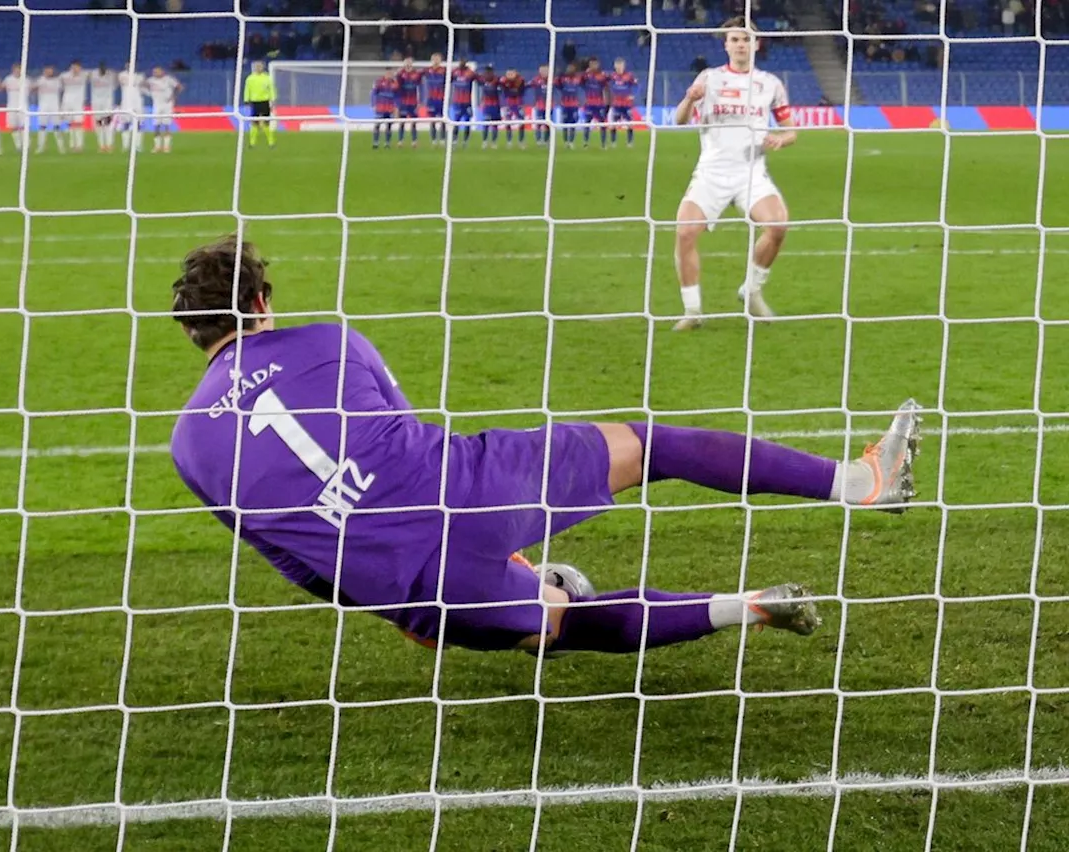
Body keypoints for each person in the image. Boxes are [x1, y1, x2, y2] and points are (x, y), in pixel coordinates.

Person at [169, 235, 924, 656]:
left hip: (399, 578)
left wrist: (402, 611)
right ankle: (857, 482)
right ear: (262, 302)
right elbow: (408, 430)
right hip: (463, 485)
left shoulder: (189, 449)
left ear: (192, 331)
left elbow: (297, 563)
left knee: (552, 624)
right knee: (648, 446)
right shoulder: (329, 339)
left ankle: (746, 607)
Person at [672, 16, 795, 331]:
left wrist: (780, 139)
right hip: (712, 172)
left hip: (751, 171)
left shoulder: (770, 83)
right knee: (685, 232)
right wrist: (689, 99)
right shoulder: (710, 78)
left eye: (746, 39)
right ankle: (692, 311)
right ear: (726, 44)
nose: (741, 44)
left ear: (757, 44)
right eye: (735, 39)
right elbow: (679, 120)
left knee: (778, 225)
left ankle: (751, 291)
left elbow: (790, 129)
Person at [146, 65, 183, 153]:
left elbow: (180, 87)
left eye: (157, 71)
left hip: (167, 105)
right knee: (156, 125)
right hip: (157, 105)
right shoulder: (150, 81)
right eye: (154, 72)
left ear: (162, 72)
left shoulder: (169, 79)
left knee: (167, 125)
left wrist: (173, 96)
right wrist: (149, 93)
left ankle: (166, 147)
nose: (155, 73)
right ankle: (157, 146)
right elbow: (143, 85)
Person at [243, 60, 277, 149]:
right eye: (257, 66)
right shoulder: (250, 78)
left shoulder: (267, 78)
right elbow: (247, 89)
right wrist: (246, 100)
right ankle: (252, 143)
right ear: (254, 68)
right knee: (254, 123)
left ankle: (271, 142)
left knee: (266, 123)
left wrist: (272, 99)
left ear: (262, 67)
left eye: (260, 66)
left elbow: (271, 89)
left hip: (265, 101)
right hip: (255, 102)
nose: (258, 68)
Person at [607, 57, 638, 148]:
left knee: (630, 124)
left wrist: (633, 95)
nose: (619, 67)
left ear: (624, 66)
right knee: (613, 124)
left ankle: (630, 142)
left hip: (627, 104)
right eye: (618, 65)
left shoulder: (629, 76)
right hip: (616, 104)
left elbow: (637, 86)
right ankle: (613, 142)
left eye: (621, 65)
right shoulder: (612, 76)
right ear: (615, 66)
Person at [33, 66, 65, 153]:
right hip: (43, 106)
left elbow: (63, 90)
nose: (48, 72)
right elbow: (33, 88)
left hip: (55, 106)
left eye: (50, 70)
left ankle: (61, 147)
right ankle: (40, 147)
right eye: (47, 70)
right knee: (42, 126)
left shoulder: (57, 81)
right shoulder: (40, 80)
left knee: (57, 127)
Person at [59, 60, 89, 151]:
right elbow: (58, 86)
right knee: (70, 124)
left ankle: (79, 145)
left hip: (79, 102)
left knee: (79, 123)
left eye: (77, 67)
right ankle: (72, 144)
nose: (75, 69)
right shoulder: (64, 76)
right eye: (73, 67)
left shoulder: (85, 75)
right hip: (67, 101)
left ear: (80, 68)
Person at [579, 56, 609, 148]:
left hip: (599, 103)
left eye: (595, 64)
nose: (593, 66)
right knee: (587, 122)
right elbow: (580, 83)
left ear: (598, 64)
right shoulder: (585, 76)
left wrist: (606, 102)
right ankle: (585, 142)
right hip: (589, 103)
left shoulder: (602, 76)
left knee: (602, 123)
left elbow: (606, 88)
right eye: (592, 64)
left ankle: (603, 144)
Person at [89, 62, 117, 153]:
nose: (102, 70)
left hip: (108, 102)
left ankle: (109, 145)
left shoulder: (111, 75)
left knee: (108, 124)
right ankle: (101, 145)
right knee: (99, 124)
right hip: (96, 103)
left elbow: (116, 83)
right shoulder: (93, 74)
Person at [420, 53, 447, 146]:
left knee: (443, 120)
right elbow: (416, 76)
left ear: (440, 61)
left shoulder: (444, 71)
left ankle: (443, 139)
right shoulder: (427, 70)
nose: (436, 61)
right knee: (432, 120)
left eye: (437, 59)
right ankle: (434, 139)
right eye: (434, 59)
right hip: (431, 99)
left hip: (441, 99)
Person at [117, 65, 146, 152]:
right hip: (126, 102)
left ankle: (138, 146)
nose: (129, 66)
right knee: (125, 123)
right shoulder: (122, 75)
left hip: (138, 102)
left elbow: (143, 86)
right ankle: (125, 146)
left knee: (138, 124)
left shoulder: (140, 76)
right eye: (127, 65)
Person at [553, 62, 582, 148]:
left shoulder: (578, 78)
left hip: (574, 104)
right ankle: (566, 142)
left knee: (573, 123)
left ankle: (571, 141)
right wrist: (558, 76)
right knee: (565, 123)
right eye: (569, 68)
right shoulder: (563, 79)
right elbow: (556, 84)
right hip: (565, 104)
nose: (570, 70)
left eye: (572, 68)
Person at [448, 58, 475, 147]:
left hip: (467, 102)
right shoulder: (454, 72)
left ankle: (465, 141)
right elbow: (448, 81)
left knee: (467, 122)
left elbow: (479, 79)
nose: (462, 63)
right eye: (460, 61)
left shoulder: (470, 73)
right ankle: (455, 140)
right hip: (457, 102)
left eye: (463, 61)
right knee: (456, 122)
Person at [394, 57, 421, 147]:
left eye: (410, 63)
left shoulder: (416, 74)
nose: (408, 65)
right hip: (403, 102)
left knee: (413, 123)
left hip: (413, 102)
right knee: (402, 122)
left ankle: (414, 141)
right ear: (404, 64)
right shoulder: (400, 74)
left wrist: (419, 102)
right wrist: (397, 104)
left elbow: (420, 87)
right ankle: (400, 141)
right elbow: (397, 88)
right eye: (406, 63)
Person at [2, 63, 28, 151]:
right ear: (13, 70)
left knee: (23, 126)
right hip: (11, 105)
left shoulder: (27, 80)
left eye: (19, 69)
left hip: (23, 105)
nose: (18, 71)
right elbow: (1, 87)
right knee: (13, 127)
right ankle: (18, 145)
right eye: (16, 69)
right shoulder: (8, 79)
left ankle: (25, 144)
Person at [499, 67, 526, 148]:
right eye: (508, 74)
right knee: (508, 122)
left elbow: (520, 91)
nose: (510, 76)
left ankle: (521, 141)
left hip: (518, 103)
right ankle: (509, 141)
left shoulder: (520, 80)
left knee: (521, 122)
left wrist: (513, 91)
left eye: (512, 73)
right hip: (508, 104)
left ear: (516, 73)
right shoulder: (504, 81)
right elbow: (506, 92)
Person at [370, 69, 398, 149]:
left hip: (390, 108)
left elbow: (397, 96)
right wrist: (373, 104)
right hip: (380, 107)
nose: (390, 75)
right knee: (377, 125)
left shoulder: (395, 83)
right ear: (385, 74)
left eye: (391, 73)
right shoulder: (379, 82)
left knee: (389, 125)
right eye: (388, 73)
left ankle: (387, 143)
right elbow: (373, 93)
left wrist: (396, 107)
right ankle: (376, 142)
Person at [476, 65, 502, 148]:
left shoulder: (497, 80)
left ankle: (494, 142)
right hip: (486, 105)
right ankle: (485, 141)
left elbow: (501, 90)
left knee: (495, 124)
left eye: (489, 71)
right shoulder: (483, 80)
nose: (487, 73)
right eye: (486, 71)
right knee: (486, 123)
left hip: (495, 105)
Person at [529, 63, 549, 146]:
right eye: (542, 70)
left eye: (546, 70)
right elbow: (527, 85)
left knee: (548, 124)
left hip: (549, 105)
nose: (544, 72)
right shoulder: (536, 80)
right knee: (539, 123)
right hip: (539, 105)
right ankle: (538, 140)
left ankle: (547, 140)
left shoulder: (552, 80)